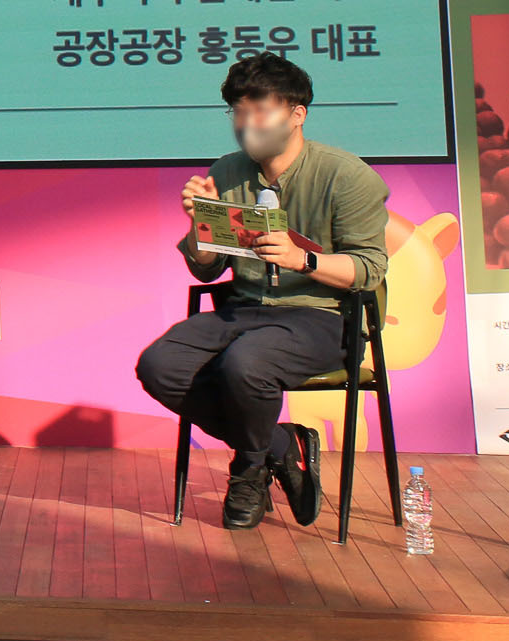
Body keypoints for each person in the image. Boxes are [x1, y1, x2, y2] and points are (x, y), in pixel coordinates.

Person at [134, 52, 388, 530]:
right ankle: (278, 445)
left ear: (297, 114)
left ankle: (248, 471)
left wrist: (303, 259)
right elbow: (207, 269)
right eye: (238, 111)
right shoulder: (227, 172)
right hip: (246, 309)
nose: (246, 123)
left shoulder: (346, 175)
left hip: (323, 316)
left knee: (245, 364)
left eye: (260, 110)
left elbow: (369, 268)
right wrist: (200, 223)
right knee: (160, 365)